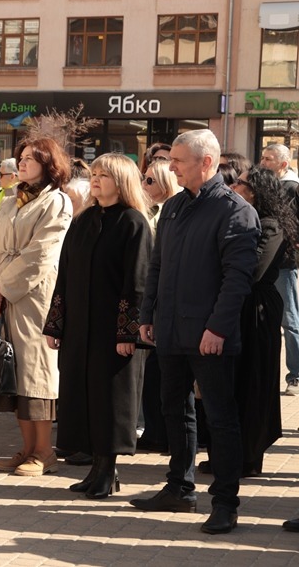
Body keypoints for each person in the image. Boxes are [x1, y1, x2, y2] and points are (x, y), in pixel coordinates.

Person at [132, 129, 259, 535]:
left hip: (209, 337)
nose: (171, 167)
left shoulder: (235, 212)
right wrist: (147, 314)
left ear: (206, 163)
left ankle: (225, 502)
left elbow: (237, 279)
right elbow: (157, 266)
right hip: (169, 330)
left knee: (220, 420)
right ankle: (179, 488)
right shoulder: (172, 208)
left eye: (179, 161)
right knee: (174, 410)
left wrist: (217, 329)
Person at [44, 153, 153, 499]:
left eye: (104, 175)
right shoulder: (84, 220)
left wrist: (127, 332)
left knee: (111, 400)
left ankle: (109, 470)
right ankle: (94, 468)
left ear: (121, 181)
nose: (96, 179)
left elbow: (137, 282)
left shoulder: (133, 223)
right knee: (82, 397)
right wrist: (56, 324)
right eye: (94, 173)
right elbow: (64, 275)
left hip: (112, 331)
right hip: (79, 328)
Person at [0, 136, 73, 477]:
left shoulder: (57, 202)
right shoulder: (9, 198)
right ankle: (26, 447)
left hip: (31, 297)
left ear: (48, 164)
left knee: (34, 370)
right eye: (22, 157)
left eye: (31, 158)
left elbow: (41, 254)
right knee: (10, 369)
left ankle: (44, 451)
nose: (23, 163)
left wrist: (3, 287)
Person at [228, 168, 292, 476]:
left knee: (255, 380)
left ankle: (250, 455)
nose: (235, 185)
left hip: (258, 309)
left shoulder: (272, 226)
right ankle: (231, 453)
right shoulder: (246, 219)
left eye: (242, 183)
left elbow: (254, 270)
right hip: (241, 305)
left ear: (256, 191)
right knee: (236, 381)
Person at [136, 155, 181, 454]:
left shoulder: (168, 213)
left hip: (165, 302)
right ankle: (154, 429)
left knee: (160, 374)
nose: (144, 183)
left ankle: (160, 433)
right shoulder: (148, 211)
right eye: (144, 177)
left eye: (150, 180)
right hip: (150, 298)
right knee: (151, 373)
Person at [258, 143, 299, 396]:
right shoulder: (265, 187)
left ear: (282, 164)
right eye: (262, 157)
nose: (263, 162)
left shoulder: (293, 188)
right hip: (266, 263)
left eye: (268, 159)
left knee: (289, 319)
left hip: (284, 264)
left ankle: (295, 375)